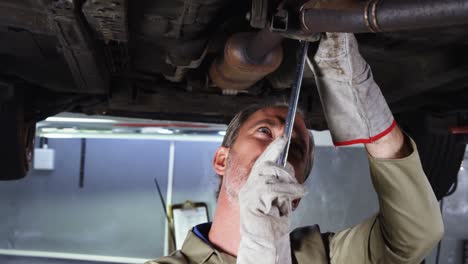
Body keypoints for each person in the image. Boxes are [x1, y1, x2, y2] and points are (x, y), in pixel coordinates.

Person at [147, 33, 444, 264]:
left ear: (296, 194)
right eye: (264, 131)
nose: (280, 149)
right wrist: (263, 245)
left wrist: (374, 125)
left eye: (297, 149)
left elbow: (414, 236)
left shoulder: (326, 254)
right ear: (222, 159)